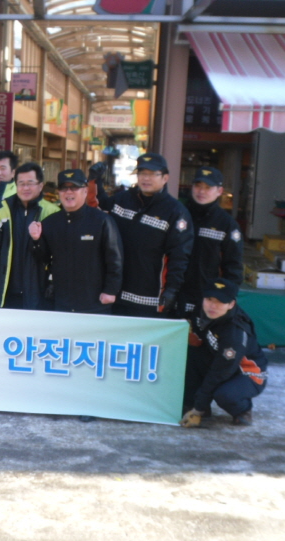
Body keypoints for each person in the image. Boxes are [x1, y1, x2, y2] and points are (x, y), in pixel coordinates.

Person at [89, 153, 193, 318]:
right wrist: (94, 180)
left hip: (148, 300)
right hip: (113, 294)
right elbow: (97, 209)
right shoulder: (123, 199)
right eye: (142, 173)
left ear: (165, 178)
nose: (146, 178)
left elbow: (179, 257)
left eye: (152, 174)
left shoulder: (176, 212)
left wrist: (172, 290)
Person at [30, 169, 123, 314]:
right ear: (58, 192)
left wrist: (110, 290)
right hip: (61, 303)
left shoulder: (102, 221)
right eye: (64, 188)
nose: (69, 192)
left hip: (95, 303)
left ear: (85, 191)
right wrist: (36, 240)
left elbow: (115, 259)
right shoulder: (50, 223)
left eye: (74, 187)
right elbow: (43, 259)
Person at [181, 278, 267, 427]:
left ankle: (243, 409)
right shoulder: (201, 311)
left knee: (224, 395)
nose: (212, 306)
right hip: (220, 361)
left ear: (231, 304)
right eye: (209, 299)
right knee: (191, 355)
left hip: (248, 373)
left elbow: (220, 372)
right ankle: (194, 404)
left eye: (220, 302)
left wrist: (198, 409)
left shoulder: (235, 332)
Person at [0, 162, 60, 310]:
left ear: (41, 185)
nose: (25, 188)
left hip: (39, 290)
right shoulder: (4, 210)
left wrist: (52, 282)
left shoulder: (52, 212)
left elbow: (58, 254)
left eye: (30, 183)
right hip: (9, 290)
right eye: (21, 183)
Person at [178, 166, 243, 316]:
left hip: (207, 299)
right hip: (174, 293)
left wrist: (222, 299)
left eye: (208, 187)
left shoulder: (227, 224)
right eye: (198, 186)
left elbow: (233, 267)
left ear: (219, 191)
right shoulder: (177, 214)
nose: (201, 191)